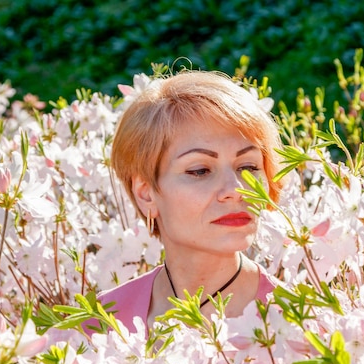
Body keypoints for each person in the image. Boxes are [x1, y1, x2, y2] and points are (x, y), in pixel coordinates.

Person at [98, 70, 283, 334]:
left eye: (248, 166)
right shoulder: (98, 325)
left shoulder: (305, 323)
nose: (235, 190)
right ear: (146, 193)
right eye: (200, 170)